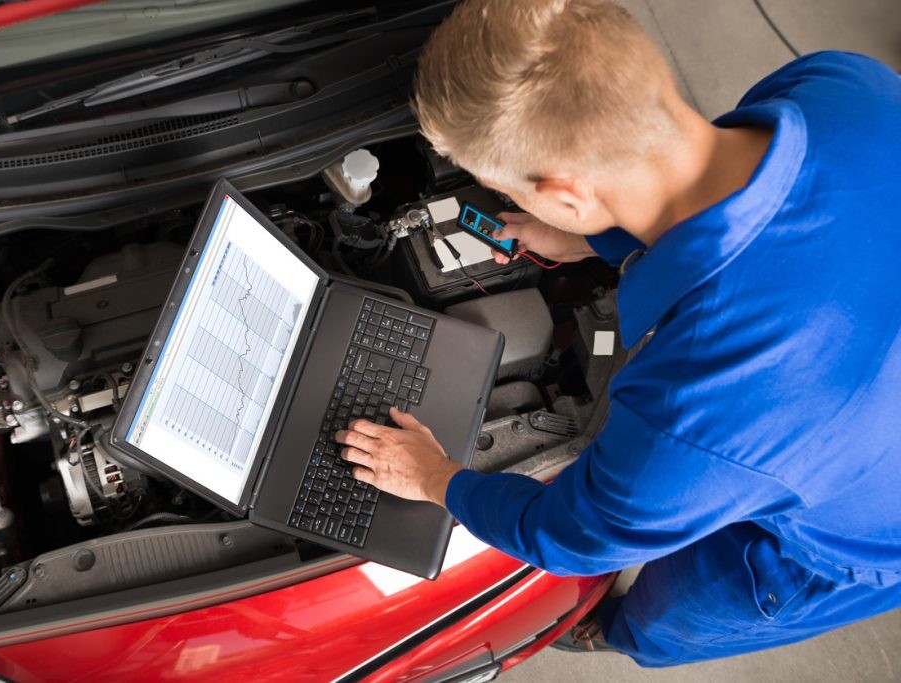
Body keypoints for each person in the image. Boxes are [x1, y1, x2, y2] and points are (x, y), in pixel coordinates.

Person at [334, 0, 901, 668]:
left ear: (568, 191)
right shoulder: (847, 86)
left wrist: (436, 477)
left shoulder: (697, 405)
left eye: (501, 185)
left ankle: (613, 631)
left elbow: (571, 535)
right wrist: (592, 234)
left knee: (683, 607)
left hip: (862, 535)